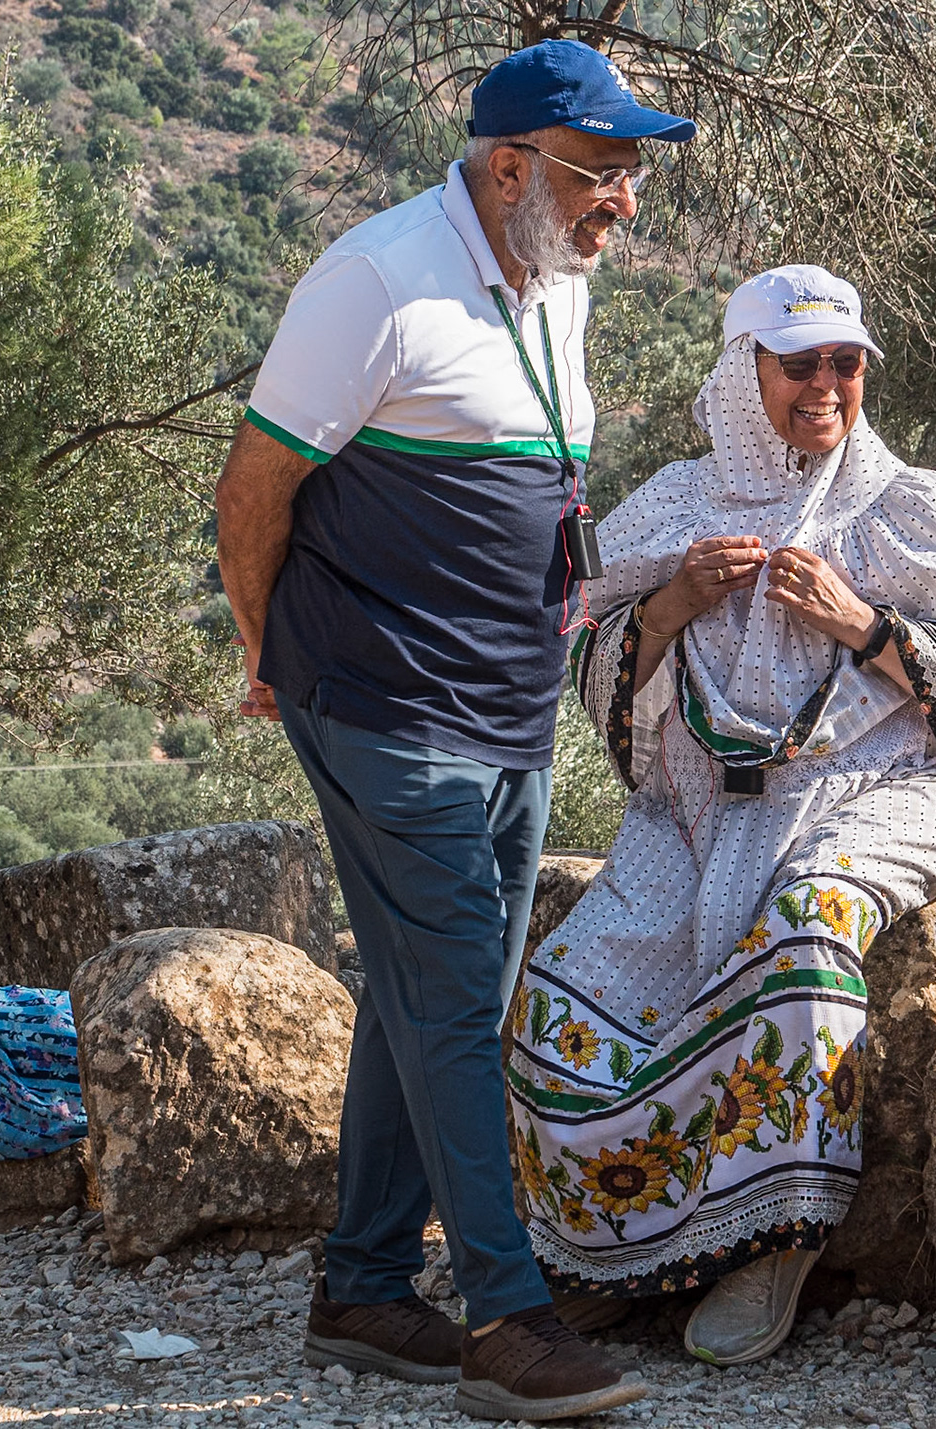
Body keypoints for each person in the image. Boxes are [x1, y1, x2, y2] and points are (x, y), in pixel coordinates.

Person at [214, 39, 695, 1423]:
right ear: (509, 166)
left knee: (445, 994)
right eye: (603, 174)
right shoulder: (373, 280)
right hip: (380, 702)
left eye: (630, 176)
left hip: (506, 709)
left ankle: (364, 1289)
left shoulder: (554, 278)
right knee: (454, 999)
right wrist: (265, 649)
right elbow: (252, 497)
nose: (625, 203)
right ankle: (505, 1313)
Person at [505, 265, 936, 1367]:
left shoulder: (911, 507)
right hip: (696, 819)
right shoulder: (672, 505)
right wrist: (672, 603)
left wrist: (866, 625)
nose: (826, 384)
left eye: (846, 363)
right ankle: (608, 1249)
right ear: (740, 371)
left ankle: (770, 1243)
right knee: (564, 993)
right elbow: (580, 641)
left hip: (877, 799)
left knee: (805, 939)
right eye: (798, 363)